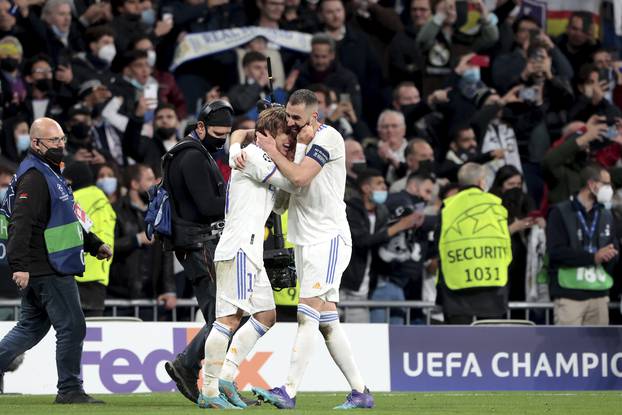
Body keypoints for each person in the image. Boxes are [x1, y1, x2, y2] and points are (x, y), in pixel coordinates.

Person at [250, 89, 374, 409]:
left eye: (297, 119)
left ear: (314, 117)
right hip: (305, 242)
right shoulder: (298, 149)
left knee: (306, 317)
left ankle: (288, 391)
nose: (291, 124)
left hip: (328, 240)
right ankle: (360, 391)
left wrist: (273, 152)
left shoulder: (328, 139)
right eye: (288, 117)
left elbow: (302, 178)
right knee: (328, 322)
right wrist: (277, 160)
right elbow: (281, 204)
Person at [0, 117, 112, 403]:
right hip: (47, 266)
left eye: (62, 139)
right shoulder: (35, 177)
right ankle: (70, 390)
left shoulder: (49, 172)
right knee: (72, 326)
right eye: (54, 141)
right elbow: (20, 223)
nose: (61, 145)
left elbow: (70, 217)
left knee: (31, 328)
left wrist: (94, 244)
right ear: (36, 143)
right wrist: (20, 265)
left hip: (48, 263)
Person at [198, 106, 299, 409]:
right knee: (227, 320)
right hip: (239, 247)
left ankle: (227, 376)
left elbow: (281, 204)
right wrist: (245, 140)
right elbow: (294, 182)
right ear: (267, 135)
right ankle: (210, 390)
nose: (290, 144)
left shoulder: (264, 159)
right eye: (286, 137)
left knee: (266, 315)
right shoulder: (253, 156)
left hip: (252, 251)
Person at [163, 100, 234, 404]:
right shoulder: (192, 157)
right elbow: (207, 207)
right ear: (200, 127)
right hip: (199, 242)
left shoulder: (191, 152)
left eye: (226, 134)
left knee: (221, 316)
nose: (222, 140)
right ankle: (187, 365)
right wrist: (238, 199)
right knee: (223, 317)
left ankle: (202, 374)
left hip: (196, 242)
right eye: (217, 133)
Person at [435, 163, 512, 324]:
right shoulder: (496, 204)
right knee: (490, 345)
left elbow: (439, 245)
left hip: (456, 290)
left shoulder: (448, 206)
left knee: (458, 345)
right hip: (493, 287)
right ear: (481, 182)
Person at [342, 168, 422, 323]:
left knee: (359, 341)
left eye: (384, 183)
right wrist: (399, 226)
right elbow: (361, 240)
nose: (384, 187)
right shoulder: (349, 210)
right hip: (343, 286)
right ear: (366, 188)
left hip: (363, 290)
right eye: (379, 184)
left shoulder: (383, 212)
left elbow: (380, 244)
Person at [547, 164, 618, 325]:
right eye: (606, 184)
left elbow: (614, 249)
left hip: (599, 295)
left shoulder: (607, 214)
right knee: (567, 348)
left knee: (597, 350)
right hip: (570, 296)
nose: (610, 188)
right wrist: (593, 257)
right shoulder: (560, 212)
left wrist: (611, 254)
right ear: (592, 185)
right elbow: (556, 252)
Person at [63, 161, 116, 317]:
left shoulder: (73, 200)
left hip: (74, 275)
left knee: (68, 332)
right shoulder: (104, 202)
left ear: (72, 180)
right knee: (92, 334)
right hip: (98, 277)